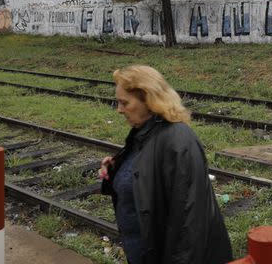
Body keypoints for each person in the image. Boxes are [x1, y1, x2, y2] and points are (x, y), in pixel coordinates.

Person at [99, 65, 232, 263]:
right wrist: (118, 168)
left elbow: (189, 224)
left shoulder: (177, 140)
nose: (119, 110)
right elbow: (146, 176)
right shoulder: (145, 132)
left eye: (124, 103)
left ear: (148, 100)